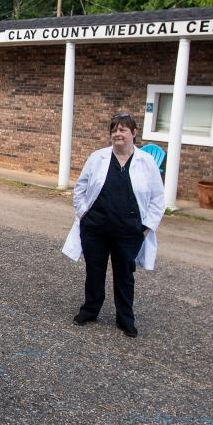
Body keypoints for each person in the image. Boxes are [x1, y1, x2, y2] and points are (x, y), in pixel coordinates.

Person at [62, 113, 165, 337]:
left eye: (123, 130)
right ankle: (90, 310)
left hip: (129, 232)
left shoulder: (146, 162)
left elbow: (158, 198)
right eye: (114, 130)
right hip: (96, 228)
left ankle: (125, 319)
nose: (117, 134)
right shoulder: (97, 157)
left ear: (134, 134)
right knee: (94, 271)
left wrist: (146, 228)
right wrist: (83, 214)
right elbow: (81, 188)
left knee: (125, 275)